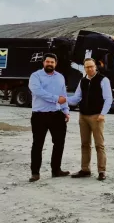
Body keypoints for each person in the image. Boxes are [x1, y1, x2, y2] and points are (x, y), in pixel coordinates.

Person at [27, 53, 71, 182]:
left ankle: (56, 170)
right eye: (47, 62)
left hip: (57, 115)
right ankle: (35, 173)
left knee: (59, 143)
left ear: (56, 64)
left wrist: (66, 110)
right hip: (39, 115)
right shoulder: (36, 76)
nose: (50, 64)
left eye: (52, 62)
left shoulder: (60, 77)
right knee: (37, 144)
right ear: (43, 63)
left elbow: (64, 95)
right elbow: (38, 91)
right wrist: (56, 99)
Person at [67, 57, 112, 181]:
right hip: (83, 116)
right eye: (87, 67)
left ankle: (102, 171)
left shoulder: (103, 80)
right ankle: (85, 169)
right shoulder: (82, 81)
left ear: (95, 66)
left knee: (99, 145)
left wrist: (103, 114)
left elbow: (108, 98)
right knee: (85, 144)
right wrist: (64, 99)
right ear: (84, 68)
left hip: (97, 116)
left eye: (91, 66)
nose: (90, 69)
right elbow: (76, 98)